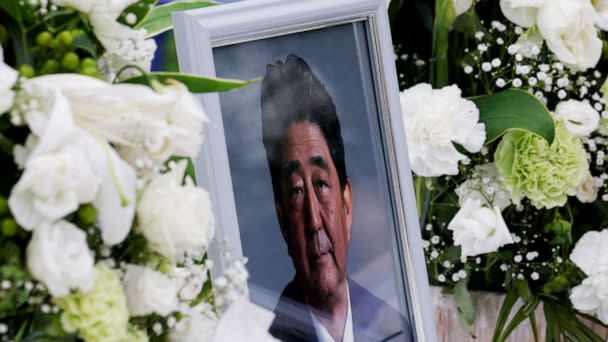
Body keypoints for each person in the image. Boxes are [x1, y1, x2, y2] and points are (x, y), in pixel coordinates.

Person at [260, 54, 411, 342]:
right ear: (282, 221)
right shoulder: (264, 335)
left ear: (347, 203)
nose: (314, 220)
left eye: (321, 184)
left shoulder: (398, 326)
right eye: (297, 191)